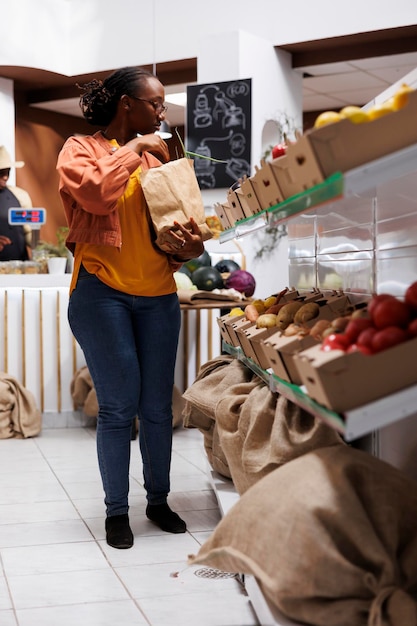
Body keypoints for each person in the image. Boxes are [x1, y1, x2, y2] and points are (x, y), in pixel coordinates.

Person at [56, 66, 204, 549]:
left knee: (158, 408)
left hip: (159, 294)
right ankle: (116, 511)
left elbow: (178, 237)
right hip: (101, 295)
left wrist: (190, 247)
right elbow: (97, 195)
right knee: (119, 409)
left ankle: (158, 501)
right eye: (155, 103)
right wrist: (134, 150)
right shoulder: (79, 150)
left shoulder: (160, 161)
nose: (161, 113)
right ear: (127, 104)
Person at [0, 146, 32, 261]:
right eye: (1, 172)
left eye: (7, 172)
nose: (5, 177)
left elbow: (29, 231)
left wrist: (38, 247)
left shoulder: (21, 196)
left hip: (19, 266)